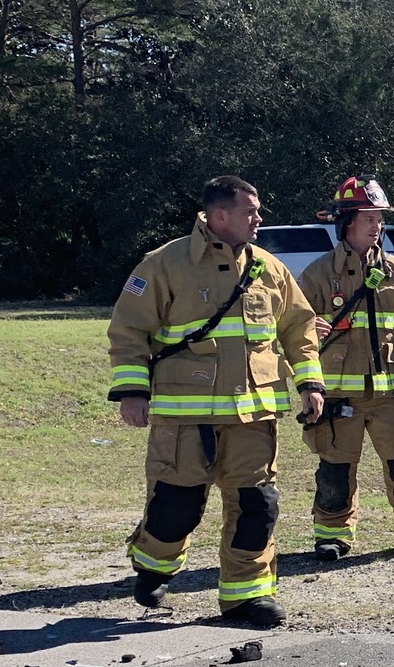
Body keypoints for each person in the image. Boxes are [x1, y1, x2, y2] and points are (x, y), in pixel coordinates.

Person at [108, 176, 323, 627]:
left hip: (253, 417)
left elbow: (299, 331)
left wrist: (310, 385)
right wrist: (131, 392)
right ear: (220, 215)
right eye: (251, 211)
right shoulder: (164, 264)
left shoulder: (269, 268)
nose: (259, 218)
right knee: (175, 508)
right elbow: (129, 330)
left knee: (257, 507)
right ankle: (153, 563)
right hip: (185, 418)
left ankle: (247, 597)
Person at [296, 176, 394, 560]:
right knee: (334, 470)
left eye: (380, 219)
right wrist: (307, 327)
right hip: (338, 397)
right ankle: (332, 536)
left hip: (392, 396)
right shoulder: (316, 274)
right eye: (370, 219)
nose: (377, 226)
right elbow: (290, 328)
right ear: (347, 222)